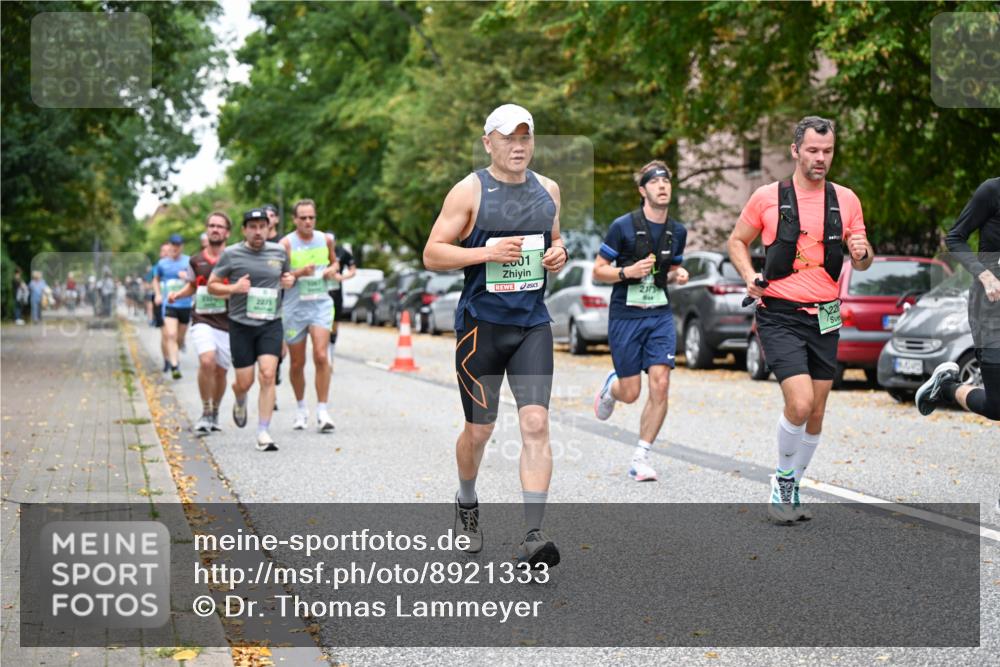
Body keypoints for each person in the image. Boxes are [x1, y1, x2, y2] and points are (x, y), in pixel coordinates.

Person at [423, 103, 568, 568]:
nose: (518, 145)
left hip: (532, 324)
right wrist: (485, 252)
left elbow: (554, 239)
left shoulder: (548, 190)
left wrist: (559, 254)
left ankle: (533, 534)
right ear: (489, 143)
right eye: (508, 137)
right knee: (479, 430)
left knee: (535, 423)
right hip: (481, 328)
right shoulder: (469, 190)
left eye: (525, 136)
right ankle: (467, 501)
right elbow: (433, 253)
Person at [727, 116, 873, 524]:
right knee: (800, 402)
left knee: (817, 412)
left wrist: (862, 253)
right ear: (795, 151)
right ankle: (782, 480)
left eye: (827, 151)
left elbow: (862, 259)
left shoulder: (846, 200)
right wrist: (749, 276)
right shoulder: (767, 197)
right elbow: (737, 241)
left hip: (825, 314)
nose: (820, 158)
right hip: (779, 314)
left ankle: (794, 484)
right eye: (812, 150)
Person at [592, 161, 690, 481]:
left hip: (659, 314)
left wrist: (678, 274)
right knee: (631, 392)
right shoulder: (622, 226)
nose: (662, 186)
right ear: (642, 190)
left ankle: (641, 456)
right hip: (626, 315)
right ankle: (612, 388)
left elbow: (668, 271)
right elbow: (598, 270)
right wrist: (627, 272)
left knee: (660, 383)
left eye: (666, 181)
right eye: (655, 182)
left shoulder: (677, 232)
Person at [208, 208, 294, 451]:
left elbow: (286, 276)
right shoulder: (231, 254)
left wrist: (289, 281)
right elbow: (212, 286)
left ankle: (263, 431)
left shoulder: (279, 252)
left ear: (268, 228)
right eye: (253, 227)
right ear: (244, 230)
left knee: (267, 374)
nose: (258, 232)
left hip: (270, 323)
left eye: (262, 227)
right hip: (241, 325)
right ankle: (239, 396)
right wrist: (234, 288)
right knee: (244, 382)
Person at [916, 177, 1000, 421]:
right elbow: (954, 238)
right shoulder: (992, 191)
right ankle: (946, 386)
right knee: (997, 406)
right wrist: (985, 275)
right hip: (991, 307)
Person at [168, 212, 234, 433]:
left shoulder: (234, 258)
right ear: (207, 230)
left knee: (221, 371)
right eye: (211, 225)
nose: (215, 229)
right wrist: (178, 294)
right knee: (207, 361)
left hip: (227, 322)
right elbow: (192, 285)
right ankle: (205, 411)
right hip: (202, 318)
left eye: (220, 226)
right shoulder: (195, 260)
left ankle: (215, 411)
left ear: (227, 232)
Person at [280, 199, 338, 432]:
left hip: (320, 304)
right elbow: (279, 276)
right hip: (294, 307)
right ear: (295, 220)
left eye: (311, 217)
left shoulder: (326, 240)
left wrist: (331, 270)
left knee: (321, 355)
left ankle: (322, 411)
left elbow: (335, 263)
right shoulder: (286, 243)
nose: (307, 222)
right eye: (303, 218)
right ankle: (301, 408)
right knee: (297, 363)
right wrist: (298, 273)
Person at [152, 235, 192, 378]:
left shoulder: (189, 261)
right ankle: (174, 365)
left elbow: (196, 280)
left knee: (179, 338)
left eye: (178, 245)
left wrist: (186, 277)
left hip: (185, 305)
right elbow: (155, 280)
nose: (175, 247)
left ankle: (178, 348)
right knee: (170, 335)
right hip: (169, 304)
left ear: (182, 246)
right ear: (169, 245)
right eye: (173, 244)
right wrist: (158, 294)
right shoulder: (162, 263)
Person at [326, 233, 356, 356]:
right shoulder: (318, 251)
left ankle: (331, 347)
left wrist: (342, 277)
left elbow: (353, 270)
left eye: (331, 241)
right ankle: (324, 347)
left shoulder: (342, 252)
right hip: (321, 292)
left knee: (334, 323)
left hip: (336, 292)